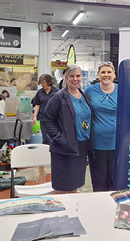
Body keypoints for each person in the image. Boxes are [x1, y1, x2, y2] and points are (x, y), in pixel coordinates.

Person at [41, 64, 93, 193]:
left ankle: (72, 211)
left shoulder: (84, 96)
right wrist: (59, 138)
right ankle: (61, 212)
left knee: (75, 184)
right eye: (72, 76)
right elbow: (46, 119)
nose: (75, 79)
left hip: (81, 147)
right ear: (66, 77)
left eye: (78, 76)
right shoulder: (58, 97)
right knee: (64, 187)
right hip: (64, 148)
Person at [84, 61, 118, 191]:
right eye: (103, 72)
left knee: (114, 179)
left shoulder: (121, 90)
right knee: (99, 180)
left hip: (116, 144)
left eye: (109, 72)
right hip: (96, 144)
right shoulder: (90, 90)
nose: (106, 75)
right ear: (98, 75)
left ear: (114, 75)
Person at [32, 74, 59, 145]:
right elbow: (37, 105)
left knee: (54, 137)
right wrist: (35, 117)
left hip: (54, 118)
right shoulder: (40, 92)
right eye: (41, 83)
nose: (42, 85)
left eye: (44, 82)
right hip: (43, 118)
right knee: (45, 138)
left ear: (49, 81)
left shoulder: (57, 92)